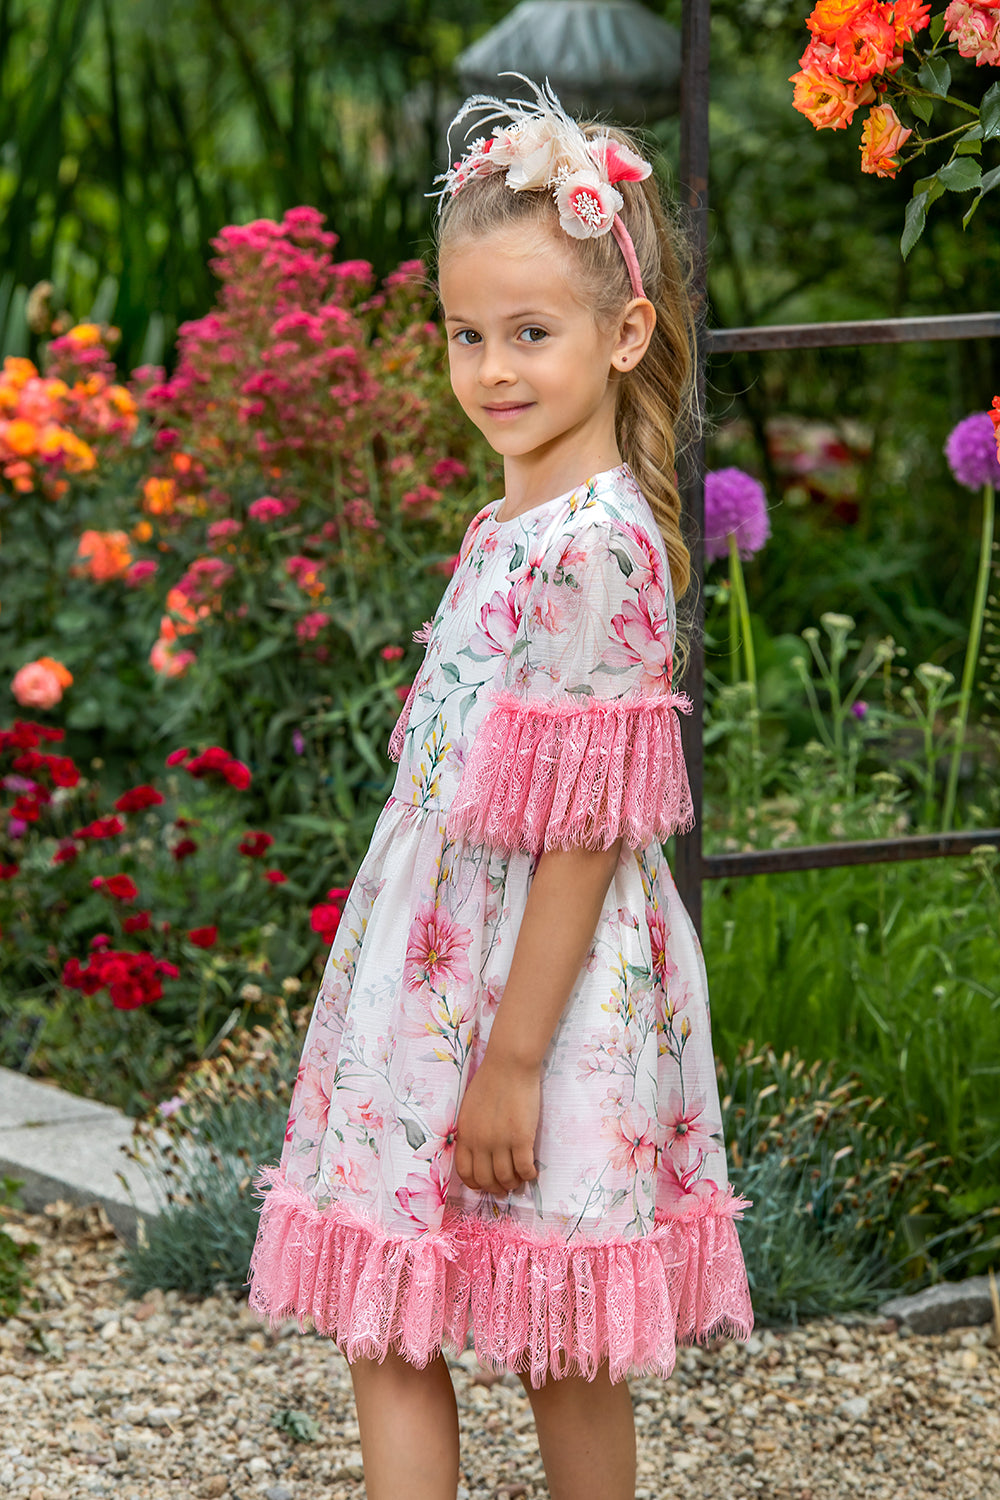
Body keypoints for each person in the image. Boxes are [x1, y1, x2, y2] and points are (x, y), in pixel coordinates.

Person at [248, 76, 753, 1500]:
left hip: (539, 983)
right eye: (467, 335)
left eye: (531, 334)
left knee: (560, 1328)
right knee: (387, 1302)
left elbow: (588, 836)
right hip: (432, 967)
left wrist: (515, 1061)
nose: (493, 370)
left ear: (627, 332)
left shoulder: (598, 547)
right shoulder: (515, 519)